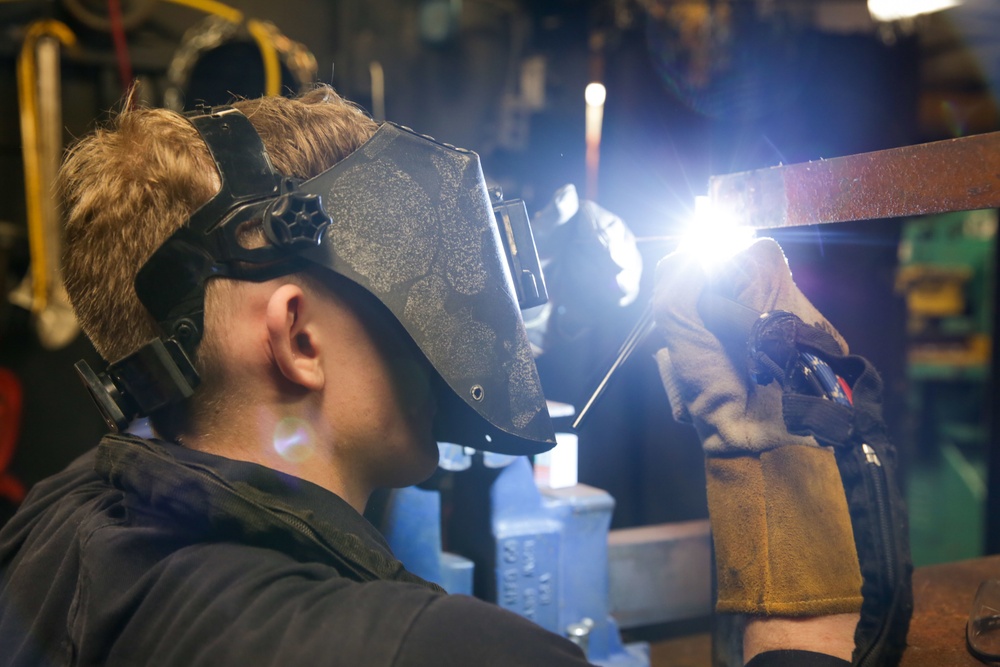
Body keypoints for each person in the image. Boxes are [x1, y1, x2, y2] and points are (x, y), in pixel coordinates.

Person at [0, 86, 907, 666]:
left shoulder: (53, 524)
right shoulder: (437, 652)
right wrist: (801, 626)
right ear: (297, 337)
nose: (438, 317)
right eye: (407, 278)